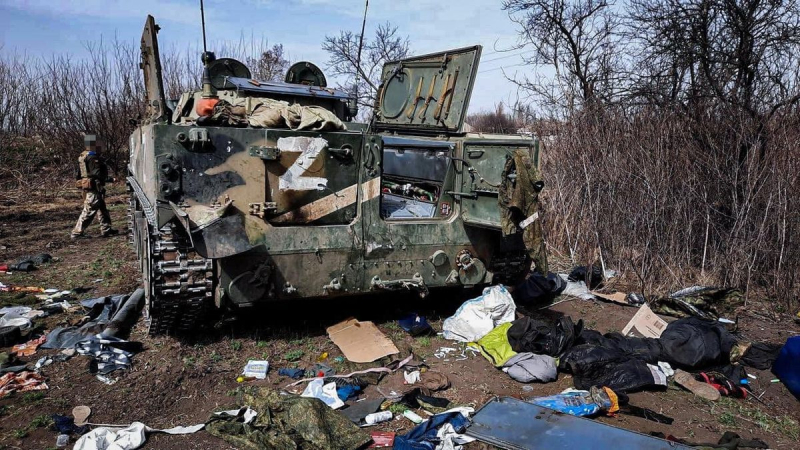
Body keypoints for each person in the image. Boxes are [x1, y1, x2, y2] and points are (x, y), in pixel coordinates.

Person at [71, 135, 119, 239]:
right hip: (94, 186)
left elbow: (79, 174)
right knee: (89, 210)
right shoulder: (92, 157)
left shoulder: (83, 156)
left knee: (102, 209)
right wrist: (110, 179)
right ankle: (77, 233)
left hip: (89, 185)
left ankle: (106, 229)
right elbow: (97, 173)